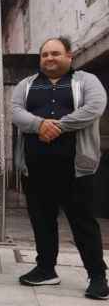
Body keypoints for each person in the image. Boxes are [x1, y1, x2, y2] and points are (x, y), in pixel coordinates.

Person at [12, 37, 108, 299]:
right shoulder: (26, 84)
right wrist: (39, 125)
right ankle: (46, 270)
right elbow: (16, 111)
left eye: (55, 53)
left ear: (69, 56)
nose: (49, 59)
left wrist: (58, 126)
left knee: (83, 223)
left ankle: (97, 276)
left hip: (75, 168)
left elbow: (95, 108)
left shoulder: (86, 81)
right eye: (44, 55)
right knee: (42, 222)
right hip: (35, 167)